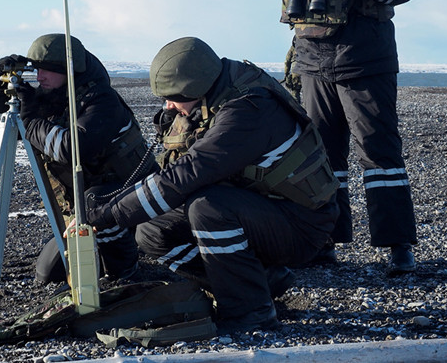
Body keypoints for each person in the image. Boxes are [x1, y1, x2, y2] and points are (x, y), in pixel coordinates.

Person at [86, 37, 340, 333]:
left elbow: (187, 174)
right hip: (259, 206)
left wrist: (111, 214)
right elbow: (174, 173)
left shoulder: (247, 111)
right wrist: (114, 206)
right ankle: (260, 281)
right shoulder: (213, 94)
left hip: (302, 224)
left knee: (208, 209)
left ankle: (251, 311)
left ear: (197, 86)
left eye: (173, 97)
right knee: (152, 231)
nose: (168, 105)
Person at [260, 0, 420, 274]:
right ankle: (324, 240)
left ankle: (397, 244)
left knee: (380, 154)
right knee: (323, 157)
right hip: (313, 63)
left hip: (366, 60)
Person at [0, 33, 153, 283]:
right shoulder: (49, 96)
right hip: (81, 206)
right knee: (50, 273)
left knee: (94, 205)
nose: (40, 76)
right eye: (37, 69)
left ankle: (125, 270)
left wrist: (30, 121)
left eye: (48, 70)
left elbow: (72, 148)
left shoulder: (101, 101)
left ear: (70, 70)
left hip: (130, 198)